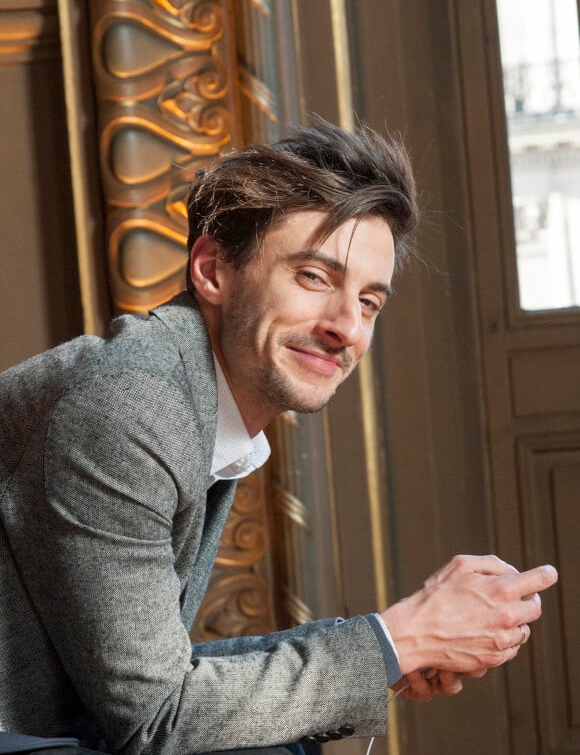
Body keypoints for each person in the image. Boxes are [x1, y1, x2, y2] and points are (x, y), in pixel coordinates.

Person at [0, 119, 557, 755]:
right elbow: (159, 719)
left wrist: (390, 646)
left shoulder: (191, 395)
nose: (346, 327)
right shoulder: (131, 406)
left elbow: (157, 681)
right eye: (314, 278)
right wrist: (399, 639)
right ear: (213, 270)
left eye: (370, 301)